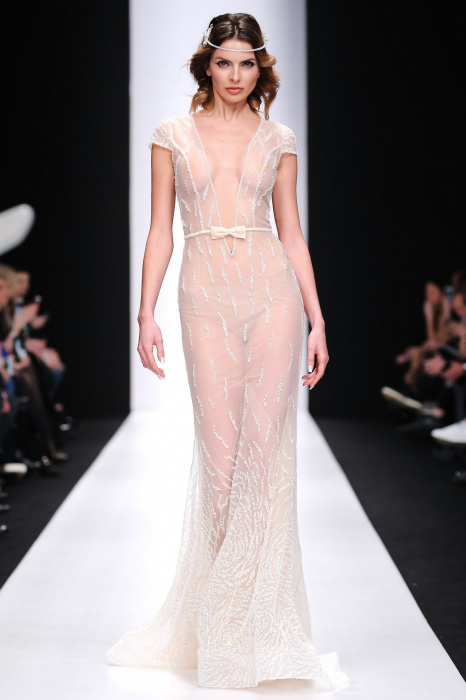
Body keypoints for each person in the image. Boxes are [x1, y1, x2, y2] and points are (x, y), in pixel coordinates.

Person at [106, 13, 349, 691]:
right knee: (220, 465)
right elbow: (160, 231)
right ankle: (223, 624)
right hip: (203, 296)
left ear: (260, 68)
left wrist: (318, 320)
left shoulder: (279, 139)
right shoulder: (171, 136)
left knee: (262, 457)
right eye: (224, 63)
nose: (236, 76)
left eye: (247, 63)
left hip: (273, 295)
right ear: (206, 65)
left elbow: (292, 233)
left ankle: (253, 629)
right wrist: (144, 312)